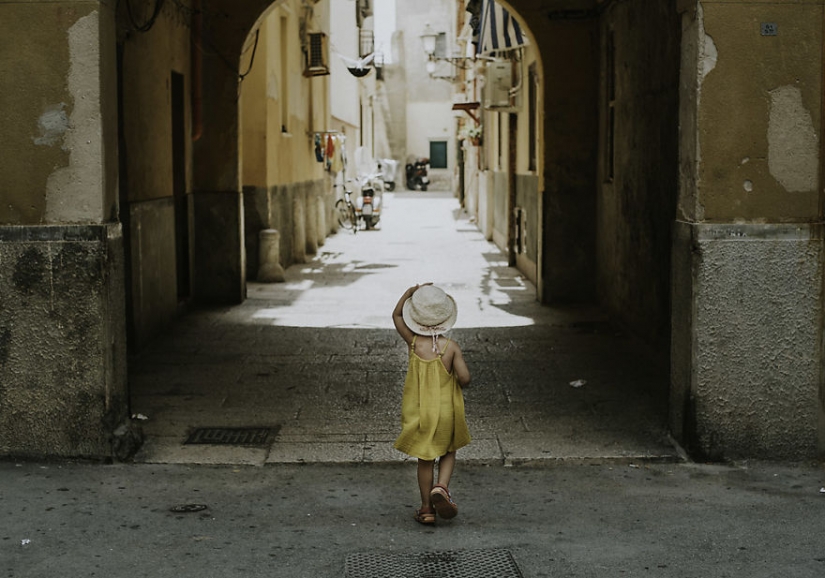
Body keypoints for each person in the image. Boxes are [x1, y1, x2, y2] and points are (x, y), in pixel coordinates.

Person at [392, 283, 471, 525]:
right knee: (448, 450)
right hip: (447, 412)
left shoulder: (414, 343)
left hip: (421, 413)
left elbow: (396, 316)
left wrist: (408, 293)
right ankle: (442, 487)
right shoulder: (451, 348)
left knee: (425, 459)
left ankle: (426, 509)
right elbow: (465, 378)